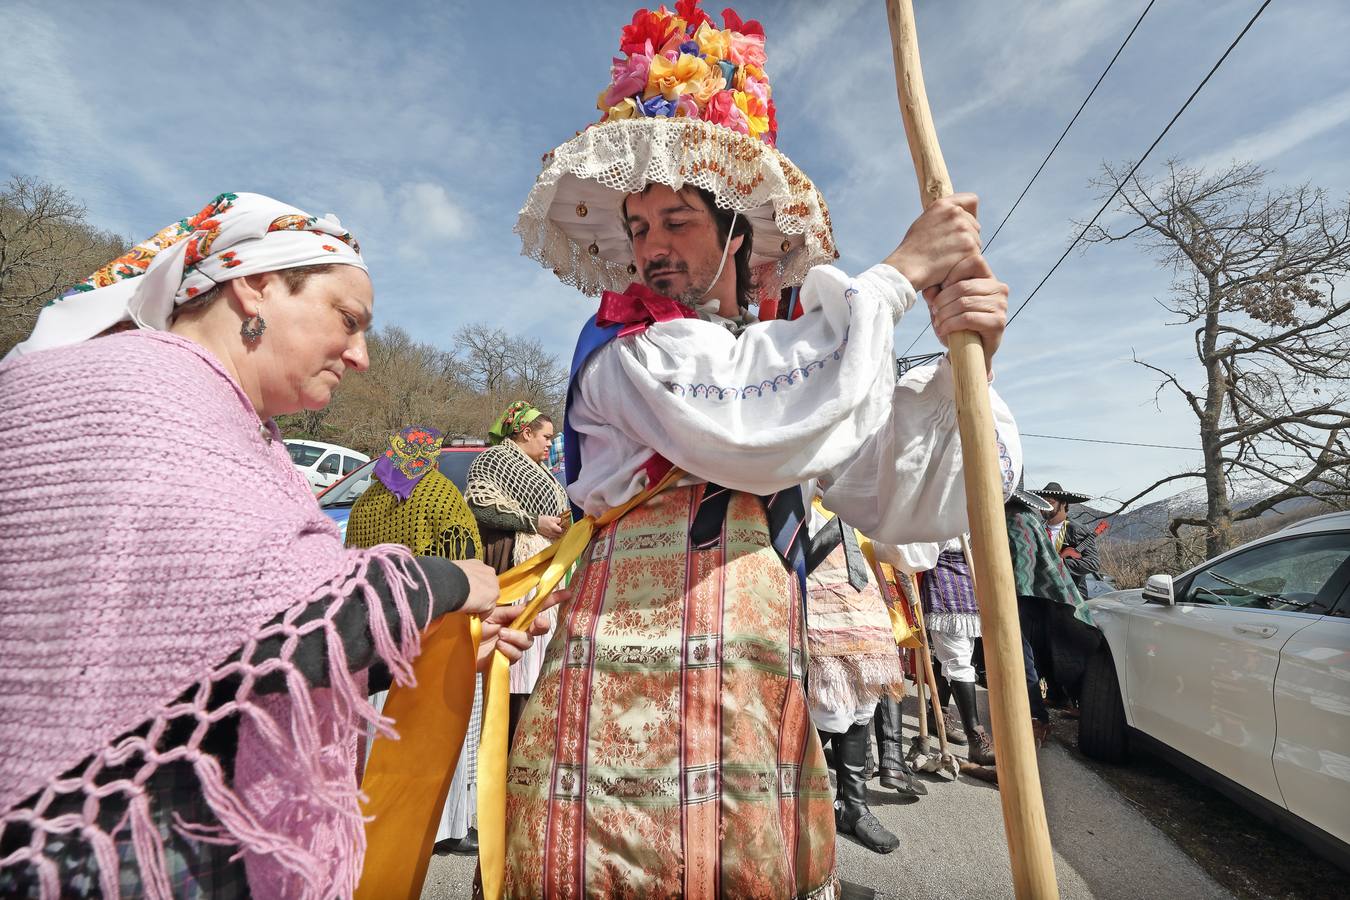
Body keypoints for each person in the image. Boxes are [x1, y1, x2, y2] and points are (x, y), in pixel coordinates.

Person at [502, 3, 1021, 897]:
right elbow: (749, 423)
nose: (652, 247)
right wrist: (895, 279)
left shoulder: (780, 365)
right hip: (635, 668)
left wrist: (962, 373)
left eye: (678, 222)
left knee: (746, 866)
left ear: (738, 235)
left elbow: (884, 480)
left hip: (749, 671)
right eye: (639, 227)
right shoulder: (628, 350)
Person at [0, 192, 539, 897]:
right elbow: (297, 619)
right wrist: (457, 583)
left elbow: (204, 647)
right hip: (117, 844)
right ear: (254, 284)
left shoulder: (189, 407)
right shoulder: (154, 396)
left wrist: (427, 637)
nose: (363, 356)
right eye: (348, 320)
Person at [344, 424, 488, 856]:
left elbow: (349, 566)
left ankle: (378, 818)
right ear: (434, 456)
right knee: (438, 732)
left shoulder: (365, 501)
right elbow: (464, 563)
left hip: (372, 632)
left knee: (383, 735)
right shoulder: (442, 495)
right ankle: (444, 829)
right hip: (431, 629)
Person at [803, 494, 921, 857]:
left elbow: (903, 554)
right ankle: (783, 792)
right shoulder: (801, 494)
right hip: (824, 613)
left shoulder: (864, 504)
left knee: (861, 711)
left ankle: (852, 806)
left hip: (868, 619)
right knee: (830, 712)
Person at [465, 401, 570, 741]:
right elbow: (480, 503)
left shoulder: (539, 471)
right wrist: (532, 523)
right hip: (511, 568)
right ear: (525, 432)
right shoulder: (493, 460)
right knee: (510, 656)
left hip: (540, 570)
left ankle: (525, 735)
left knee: (532, 655)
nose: (549, 445)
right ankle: (501, 739)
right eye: (545, 437)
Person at [1034, 481, 1101, 597]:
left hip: (1071, 598)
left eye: (1050, 503)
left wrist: (1063, 563)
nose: (1044, 507)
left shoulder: (1076, 531)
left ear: (1063, 503)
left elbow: (1093, 563)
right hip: (1042, 596)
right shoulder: (1037, 529)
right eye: (1042, 503)